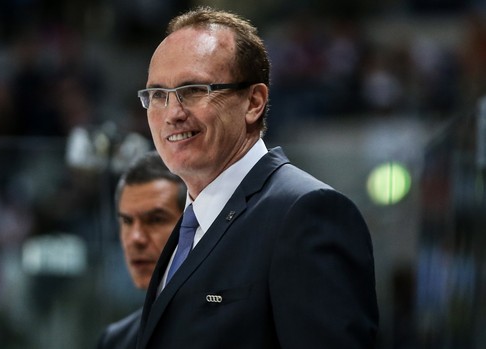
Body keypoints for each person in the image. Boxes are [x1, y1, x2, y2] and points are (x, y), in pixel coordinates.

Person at [135, 6, 378, 348]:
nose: (172, 113)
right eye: (158, 95)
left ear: (254, 102)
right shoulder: (190, 224)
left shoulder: (306, 213)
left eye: (194, 90)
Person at [96, 151, 186, 349]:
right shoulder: (115, 341)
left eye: (156, 219)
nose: (136, 238)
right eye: (127, 221)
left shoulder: (225, 331)